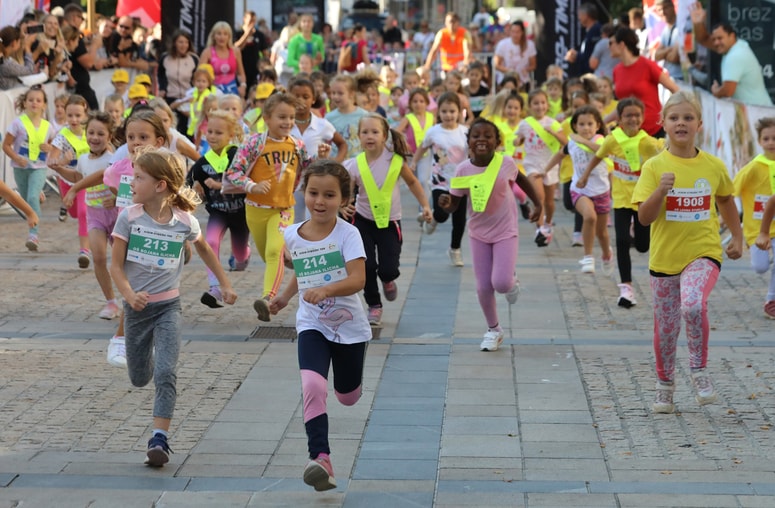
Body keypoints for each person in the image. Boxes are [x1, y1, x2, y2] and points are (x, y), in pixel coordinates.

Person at [110, 147, 237, 466]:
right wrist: (128, 295)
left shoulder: (184, 221)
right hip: (137, 311)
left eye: (138, 178)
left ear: (160, 185)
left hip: (169, 308)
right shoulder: (128, 217)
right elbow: (115, 266)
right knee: (140, 377)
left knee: (167, 372)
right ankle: (147, 362)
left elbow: (206, 250)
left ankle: (160, 438)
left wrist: (224, 284)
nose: (132, 183)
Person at [631, 91, 743, 414]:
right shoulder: (654, 167)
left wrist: (737, 237)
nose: (681, 123)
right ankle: (664, 384)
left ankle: (699, 371)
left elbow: (725, 199)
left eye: (688, 118)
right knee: (665, 329)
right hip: (665, 259)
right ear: (663, 124)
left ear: (699, 124)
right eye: (675, 118)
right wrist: (660, 191)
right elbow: (644, 218)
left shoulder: (713, 165)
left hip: (703, 252)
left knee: (693, 304)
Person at [267, 159, 370, 491]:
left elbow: (358, 279)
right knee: (313, 387)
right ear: (304, 193)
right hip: (311, 325)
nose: (320, 202)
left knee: (347, 396)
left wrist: (326, 289)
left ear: (343, 199)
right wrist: (284, 298)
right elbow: (304, 272)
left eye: (329, 195)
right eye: (313, 193)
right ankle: (320, 458)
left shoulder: (348, 234)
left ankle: (349, 387)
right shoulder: (293, 235)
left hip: (350, 328)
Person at [67, 109, 171, 368]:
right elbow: (108, 180)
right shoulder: (120, 167)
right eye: (131, 137)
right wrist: (81, 188)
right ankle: (121, 338)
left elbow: (179, 198)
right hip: (131, 233)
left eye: (143, 137)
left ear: (158, 141)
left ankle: (141, 339)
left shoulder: (167, 168)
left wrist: (187, 239)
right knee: (134, 284)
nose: (136, 142)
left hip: (160, 237)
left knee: (157, 290)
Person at [439, 118, 541, 351]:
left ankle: (512, 281)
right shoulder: (463, 169)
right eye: (476, 136)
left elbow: (522, 180)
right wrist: (446, 204)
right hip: (479, 234)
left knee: (502, 283)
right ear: (469, 142)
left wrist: (538, 204)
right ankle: (494, 330)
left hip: (506, 230)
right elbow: (454, 203)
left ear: (497, 141)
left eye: (488, 136)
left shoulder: (504, 163)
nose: (482, 140)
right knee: (484, 287)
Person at [225, 93, 313, 321]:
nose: (287, 122)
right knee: (268, 255)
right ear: (267, 118)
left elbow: (309, 168)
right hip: (255, 209)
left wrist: (319, 159)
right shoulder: (254, 143)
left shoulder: (298, 145)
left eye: (291, 118)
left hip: (284, 208)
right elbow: (233, 172)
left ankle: (267, 298)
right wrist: (251, 186)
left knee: (274, 251)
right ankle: (289, 259)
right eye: (282, 117)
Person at [341, 114, 433, 326]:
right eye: (365, 132)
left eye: (375, 132)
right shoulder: (354, 165)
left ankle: (388, 279)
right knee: (366, 265)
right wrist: (343, 205)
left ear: (384, 136)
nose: (369, 136)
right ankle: (374, 305)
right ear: (358, 136)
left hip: (390, 223)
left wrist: (426, 205)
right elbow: (342, 189)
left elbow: (412, 182)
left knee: (388, 268)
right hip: (362, 221)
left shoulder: (395, 160)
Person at [581, 97, 663, 307]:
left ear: (643, 118)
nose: (633, 119)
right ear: (619, 118)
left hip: (643, 201)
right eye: (628, 115)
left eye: (637, 115)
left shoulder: (648, 142)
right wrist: (584, 176)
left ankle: (637, 233)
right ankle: (626, 288)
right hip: (620, 200)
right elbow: (598, 156)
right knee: (621, 241)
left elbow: (665, 154)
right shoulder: (612, 140)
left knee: (644, 246)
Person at [52, 112, 119, 319]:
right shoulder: (82, 159)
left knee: (124, 261)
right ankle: (111, 303)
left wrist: (117, 199)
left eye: (100, 133)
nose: (95, 137)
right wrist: (60, 169)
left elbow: (118, 182)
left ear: (109, 136)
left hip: (117, 215)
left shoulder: (113, 159)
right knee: (98, 257)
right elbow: (78, 178)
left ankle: (132, 297)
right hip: (95, 215)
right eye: (91, 132)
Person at [186, 109, 250, 307]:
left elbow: (249, 182)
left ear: (231, 135)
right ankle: (215, 288)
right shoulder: (202, 164)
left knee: (240, 256)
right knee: (210, 241)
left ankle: (243, 256)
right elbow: (190, 187)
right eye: (210, 131)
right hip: (218, 213)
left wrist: (221, 185)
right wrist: (195, 190)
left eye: (218, 132)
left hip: (241, 214)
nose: (212, 136)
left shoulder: (239, 157)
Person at [547, 105, 613, 274]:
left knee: (602, 232)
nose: (586, 128)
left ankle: (606, 254)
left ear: (597, 125)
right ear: (575, 126)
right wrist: (544, 170)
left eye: (590, 124)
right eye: (581, 124)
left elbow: (602, 152)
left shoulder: (600, 140)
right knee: (589, 217)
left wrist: (583, 141)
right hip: (579, 189)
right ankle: (588, 257)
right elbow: (560, 154)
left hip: (601, 191)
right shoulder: (572, 144)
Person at [411, 92, 468, 265]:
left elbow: (473, 152)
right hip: (440, 182)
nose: (448, 115)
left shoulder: (465, 132)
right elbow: (422, 147)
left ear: (459, 112)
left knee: (459, 220)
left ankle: (455, 249)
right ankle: (434, 217)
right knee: (443, 214)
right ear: (438, 113)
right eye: (444, 111)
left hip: (461, 182)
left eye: (452, 111)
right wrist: (414, 161)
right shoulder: (434, 132)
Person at [1, 85, 55, 251]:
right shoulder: (17, 124)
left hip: (39, 168)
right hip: (20, 168)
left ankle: (34, 234)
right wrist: (16, 157)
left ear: (44, 104)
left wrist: (49, 148)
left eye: (38, 100)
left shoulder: (48, 126)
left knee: (31, 199)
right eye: (30, 100)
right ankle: (37, 191)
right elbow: (6, 145)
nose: (34, 103)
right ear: (24, 103)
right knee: (26, 199)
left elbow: (53, 145)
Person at [288, 77, 347, 222]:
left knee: (314, 221)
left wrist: (334, 163)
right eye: (296, 96)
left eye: (305, 97)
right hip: (289, 184)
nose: (301, 100)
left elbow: (342, 145)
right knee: (292, 223)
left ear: (313, 99)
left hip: (315, 183)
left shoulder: (322, 125)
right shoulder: (284, 124)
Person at [690, 4, 772, 106]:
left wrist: (716, 91)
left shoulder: (735, 55)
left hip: (759, 113)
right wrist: (698, 23)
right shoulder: (735, 46)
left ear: (732, 36)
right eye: (714, 39)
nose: (716, 43)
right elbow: (703, 39)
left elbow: (728, 91)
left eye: (720, 38)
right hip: (756, 111)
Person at [516, 89, 567, 247]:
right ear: (530, 106)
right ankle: (540, 230)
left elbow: (566, 143)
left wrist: (553, 133)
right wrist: (517, 141)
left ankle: (548, 222)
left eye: (543, 103)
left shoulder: (553, 123)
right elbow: (518, 139)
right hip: (532, 164)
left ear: (547, 105)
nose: (540, 106)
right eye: (536, 103)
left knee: (550, 201)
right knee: (538, 197)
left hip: (549, 164)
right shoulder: (525, 123)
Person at [609, 27, 679, 137]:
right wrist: (600, 122)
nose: (609, 47)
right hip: (628, 133)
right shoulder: (616, 70)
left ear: (622, 45)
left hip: (653, 131)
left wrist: (670, 114)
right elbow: (621, 105)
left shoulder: (647, 65)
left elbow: (675, 90)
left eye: (611, 43)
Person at [737, 118, 775, 316]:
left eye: (774, 138)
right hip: (756, 230)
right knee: (760, 267)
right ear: (759, 141)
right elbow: (732, 189)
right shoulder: (753, 167)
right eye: (766, 138)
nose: (771, 142)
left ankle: (771, 298)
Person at [48, 94, 91, 267]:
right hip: (66, 180)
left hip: (85, 180)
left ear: (85, 114)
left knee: (83, 213)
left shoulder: (91, 132)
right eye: (70, 115)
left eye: (78, 116)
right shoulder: (62, 135)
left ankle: (84, 252)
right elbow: (52, 160)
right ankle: (68, 210)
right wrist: (62, 162)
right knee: (73, 212)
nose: (74, 119)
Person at [158, 30, 199, 133]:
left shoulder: (193, 59)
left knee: (187, 130)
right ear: (174, 43)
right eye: (180, 42)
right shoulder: (165, 58)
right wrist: (162, 89)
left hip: (188, 99)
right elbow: (161, 75)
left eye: (186, 42)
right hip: (171, 98)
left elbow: (198, 77)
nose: (183, 45)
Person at [200, 21, 247, 97]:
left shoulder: (236, 51)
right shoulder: (207, 52)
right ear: (214, 36)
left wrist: (243, 86)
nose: (222, 37)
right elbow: (200, 74)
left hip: (232, 89)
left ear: (229, 37)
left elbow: (241, 73)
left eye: (225, 34)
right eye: (219, 34)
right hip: (214, 91)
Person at [326, 75, 368, 159]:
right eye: (333, 93)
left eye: (340, 93)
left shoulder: (364, 116)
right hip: (336, 164)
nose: (335, 97)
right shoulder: (329, 117)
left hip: (357, 163)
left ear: (351, 94)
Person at [493, 20, 536, 89]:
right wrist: (508, 70)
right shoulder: (502, 44)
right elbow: (496, 64)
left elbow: (533, 65)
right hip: (505, 79)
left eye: (517, 32)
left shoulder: (530, 45)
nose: (515, 35)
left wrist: (526, 69)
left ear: (522, 32)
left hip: (523, 80)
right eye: (513, 32)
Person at [564, 2, 602, 77]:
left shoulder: (597, 30)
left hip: (594, 74)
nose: (579, 18)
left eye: (580, 15)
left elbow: (593, 53)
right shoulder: (588, 31)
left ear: (586, 15)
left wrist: (577, 55)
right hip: (585, 74)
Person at [235, 11, 269, 92]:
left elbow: (265, 52)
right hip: (241, 67)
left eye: (254, 21)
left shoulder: (259, 35)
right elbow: (236, 48)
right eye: (250, 20)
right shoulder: (238, 33)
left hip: (255, 69)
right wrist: (246, 35)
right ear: (244, 19)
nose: (252, 23)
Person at [652, 0, 683, 82]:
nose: (663, 12)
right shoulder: (665, 30)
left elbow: (674, 57)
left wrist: (664, 53)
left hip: (683, 78)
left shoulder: (682, 26)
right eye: (659, 10)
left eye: (665, 8)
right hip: (671, 79)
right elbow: (656, 56)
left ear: (672, 7)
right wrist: (669, 49)